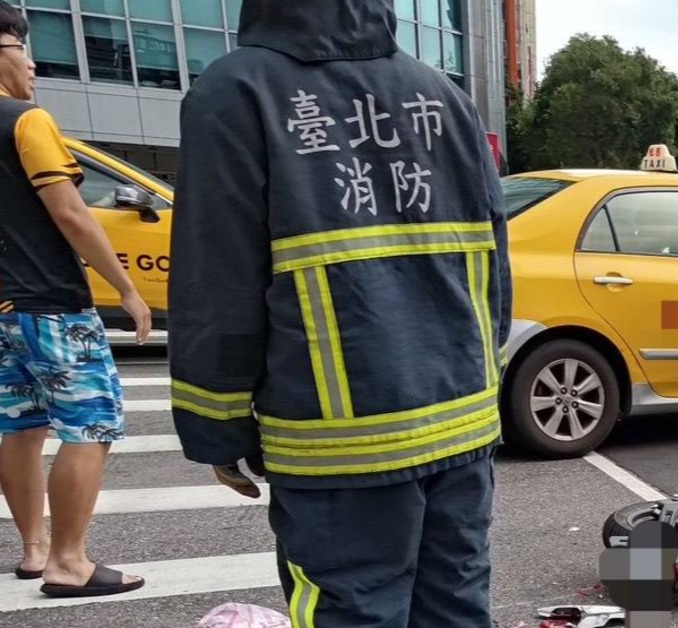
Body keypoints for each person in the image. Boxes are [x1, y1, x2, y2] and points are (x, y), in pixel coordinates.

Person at [167, 1, 510, 626]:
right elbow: (493, 260)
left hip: (338, 442)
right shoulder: (442, 95)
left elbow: (217, 278)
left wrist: (217, 423)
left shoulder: (237, 90)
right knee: (456, 607)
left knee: (352, 610)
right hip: (461, 422)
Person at [0, 1, 149, 597]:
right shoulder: (26, 121)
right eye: (22, 49)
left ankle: (35, 551)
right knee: (91, 423)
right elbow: (71, 214)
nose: (33, 65)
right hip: (51, 302)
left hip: (3, 311)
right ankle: (69, 562)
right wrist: (127, 289)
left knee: (20, 426)